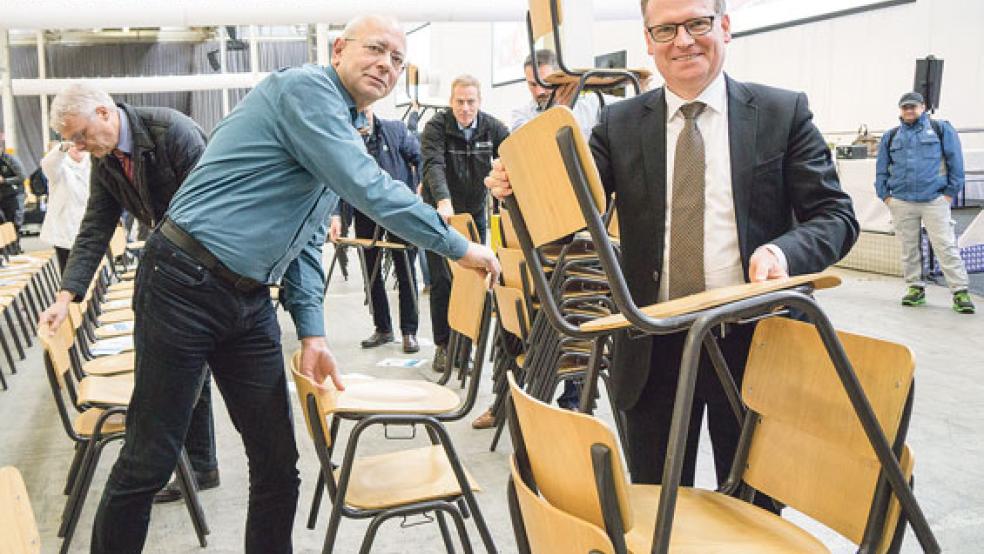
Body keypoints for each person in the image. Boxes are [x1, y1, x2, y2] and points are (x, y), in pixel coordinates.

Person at [81, 15, 498, 553]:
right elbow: (368, 187)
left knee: (278, 465)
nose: (386, 65)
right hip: (182, 283)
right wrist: (459, 246)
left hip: (249, 298)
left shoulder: (345, 125)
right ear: (339, 49)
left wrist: (312, 332)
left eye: (397, 59)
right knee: (148, 461)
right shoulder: (305, 91)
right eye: (376, 49)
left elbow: (304, 237)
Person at [486, 0, 858, 493]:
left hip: (755, 341)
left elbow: (836, 216)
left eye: (697, 23)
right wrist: (519, 185)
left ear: (724, 26)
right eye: (665, 30)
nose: (682, 41)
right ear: (648, 40)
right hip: (652, 346)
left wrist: (782, 253)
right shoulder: (618, 124)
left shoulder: (780, 113)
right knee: (656, 500)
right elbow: (569, 207)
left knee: (755, 506)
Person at [37, 83, 221, 505]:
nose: (78, 146)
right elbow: (95, 227)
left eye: (81, 135)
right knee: (189, 366)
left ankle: (189, 465)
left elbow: (208, 208)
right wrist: (65, 297)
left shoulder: (172, 132)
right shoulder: (105, 159)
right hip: (172, 264)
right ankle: (200, 465)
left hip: (208, 264)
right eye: (71, 140)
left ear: (104, 113)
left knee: (186, 367)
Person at [421, 74, 509, 371]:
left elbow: (512, 157)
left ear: (479, 101)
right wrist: (443, 200)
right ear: (451, 101)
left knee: (473, 281)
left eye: (471, 102)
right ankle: (443, 346)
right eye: (459, 102)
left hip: (473, 215)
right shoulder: (436, 126)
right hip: (440, 215)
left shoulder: (492, 128)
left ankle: (465, 348)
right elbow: (434, 164)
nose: (465, 108)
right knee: (442, 280)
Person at [330, 106, 423, 353]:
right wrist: (336, 215)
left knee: (405, 270)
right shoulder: (345, 139)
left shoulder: (395, 130)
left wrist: (421, 185)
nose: (362, 116)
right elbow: (337, 179)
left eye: (365, 110)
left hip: (397, 210)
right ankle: (383, 328)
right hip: (365, 211)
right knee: (370, 270)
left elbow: (419, 156)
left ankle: (409, 332)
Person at [875, 91, 975, 314]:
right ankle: (915, 288)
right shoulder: (891, 136)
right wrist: (885, 195)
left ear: (923, 108)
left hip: (934, 200)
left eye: (913, 106)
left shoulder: (941, 129)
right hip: (901, 201)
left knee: (945, 245)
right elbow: (881, 168)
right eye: (905, 107)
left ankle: (960, 291)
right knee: (908, 248)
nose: (909, 110)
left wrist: (949, 193)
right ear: (900, 110)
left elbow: (956, 163)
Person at [39, 141, 91, 271]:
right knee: (69, 272)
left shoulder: (92, 164)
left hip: (90, 227)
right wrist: (61, 148)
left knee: (93, 271)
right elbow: (47, 164)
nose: (77, 148)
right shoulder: (60, 167)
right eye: (73, 145)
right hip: (65, 230)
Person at [0, 133, 27, 233]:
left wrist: (4, 180)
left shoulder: (10, 159)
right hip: (2, 197)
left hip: (14, 196)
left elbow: (22, 177)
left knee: (14, 225)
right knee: (4, 226)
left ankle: (15, 242)